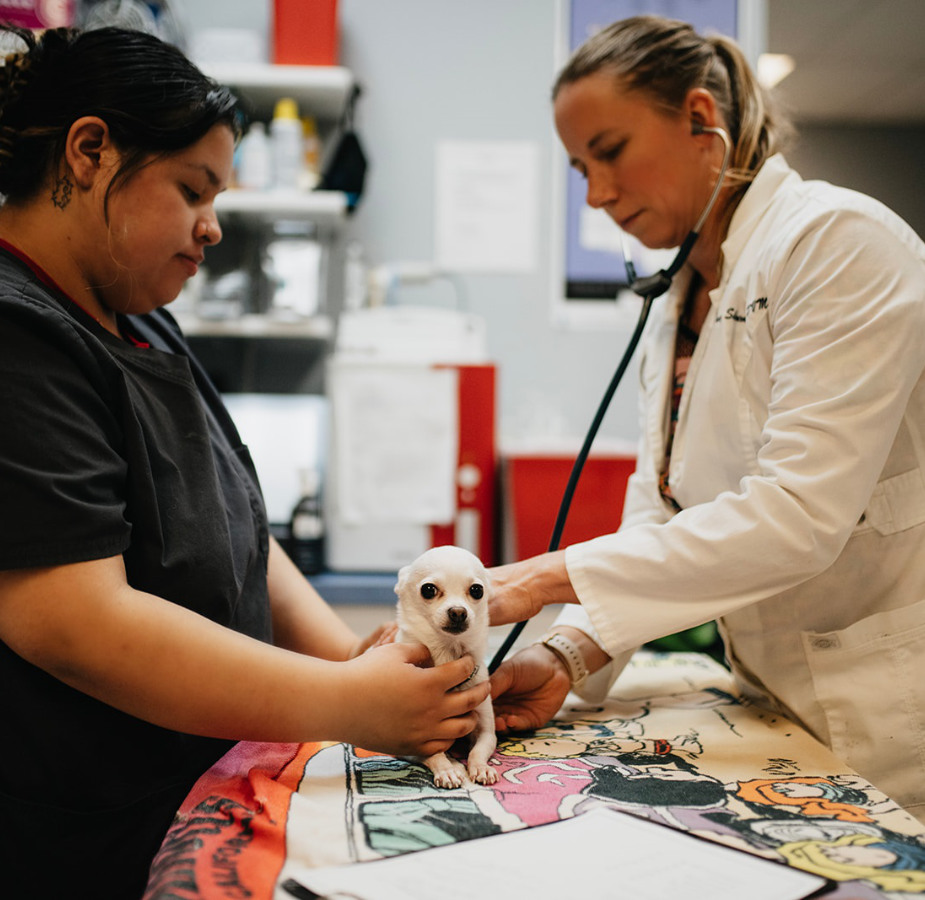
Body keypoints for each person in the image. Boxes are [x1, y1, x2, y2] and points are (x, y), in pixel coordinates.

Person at [0, 25, 488, 897]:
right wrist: (342, 703)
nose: (212, 227)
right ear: (88, 152)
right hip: (87, 834)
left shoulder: (140, 315)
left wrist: (354, 664)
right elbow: (73, 621)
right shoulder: (18, 334)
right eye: (194, 189)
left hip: (207, 791)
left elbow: (238, 535)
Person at [488, 14, 925, 825]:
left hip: (887, 709)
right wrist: (565, 653)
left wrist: (533, 580)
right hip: (772, 701)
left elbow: (795, 517)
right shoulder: (680, 298)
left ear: (699, 119)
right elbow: (662, 510)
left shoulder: (836, 243)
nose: (596, 194)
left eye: (609, 152)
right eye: (579, 168)